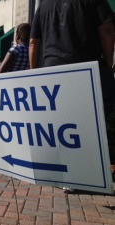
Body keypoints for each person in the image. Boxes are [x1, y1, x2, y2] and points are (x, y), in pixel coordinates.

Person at [29, 0, 115, 190]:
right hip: (86, 67)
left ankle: (69, 173)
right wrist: (109, 64)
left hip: (52, 70)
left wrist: (35, 75)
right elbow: (107, 29)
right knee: (91, 121)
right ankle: (86, 170)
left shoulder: (43, 5)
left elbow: (34, 41)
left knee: (61, 123)